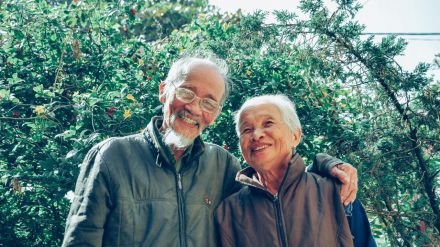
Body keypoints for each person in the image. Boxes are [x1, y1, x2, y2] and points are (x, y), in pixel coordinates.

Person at [62, 55, 359, 246]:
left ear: (215, 113)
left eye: (208, 102)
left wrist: (325, 165)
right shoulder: (112, 156)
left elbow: (281, 191)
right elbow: (81, 240)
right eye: (186, 92)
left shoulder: (222, 165)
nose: (194, 107)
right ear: (165, 91)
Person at [215, 95, 376, 247]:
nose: (256, 135)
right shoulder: (229, 212)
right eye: (247, 130)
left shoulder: (337, 192)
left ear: (295, 136)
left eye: (268, 123)